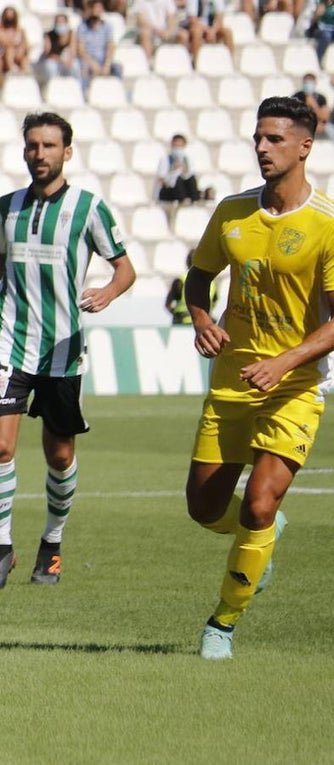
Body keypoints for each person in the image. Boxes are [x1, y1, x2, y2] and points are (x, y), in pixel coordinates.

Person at [0, 112, 137, 590]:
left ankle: (51, 545)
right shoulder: (6, 206)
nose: (40, 154)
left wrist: (108, 293)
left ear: (67, 152)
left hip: (62, 349)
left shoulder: (89, 209)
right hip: (8, 341)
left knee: (59, 455)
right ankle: (0, 550)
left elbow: (125, 269)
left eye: (49, 146)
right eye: (33, 146)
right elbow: (5, 256)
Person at [183, 96, 334, 660]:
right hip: (231, 382)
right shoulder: (232, 211)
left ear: (304, 146)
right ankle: (261, 542)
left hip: (293, 389)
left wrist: (285, 362)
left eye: (274, 139)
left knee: (258, 505)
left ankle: (222, 624)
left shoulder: (325, 224)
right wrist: (201, 317)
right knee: (202, 507)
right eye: (258, 137)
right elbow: (198, 279)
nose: (262, 148)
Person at [75, 1, 123, 94]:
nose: (96, 11)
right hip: (88, 61)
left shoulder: (107, 27)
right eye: (94, 8)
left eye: (98, 8)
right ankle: (84, 95)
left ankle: (116, 94)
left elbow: (110, 47)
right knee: (83, 69)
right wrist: (93, 65)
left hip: (102, 60)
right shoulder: (82, 27)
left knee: (117, 69)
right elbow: (81, 51)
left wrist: (107, 65)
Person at [165, 249, 217, 325]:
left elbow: (168, 305)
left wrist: (177, 315)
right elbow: (214, 303)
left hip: (182, 323)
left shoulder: (180, 281)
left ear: (187, 262)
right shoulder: (212, 282)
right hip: (203, 324)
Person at [155, 133, 203, 203]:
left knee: (191, 180)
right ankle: (182, 199)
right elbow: (162, 178)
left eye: (180, 146)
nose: (178, 148)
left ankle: (194, 199)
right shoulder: (165, 159)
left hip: (183, 188)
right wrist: (173, 169)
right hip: (169, 190)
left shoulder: (187, 159)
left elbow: (190, 175)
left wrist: (184, 169)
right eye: (176, 145)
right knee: (178, 179)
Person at [0, 6, 31, 87]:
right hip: (3, 57)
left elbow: (26, 44)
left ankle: (24, 78)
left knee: (24, 57)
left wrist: (21, 48)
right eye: (8, 15)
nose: (10, 17)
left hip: (18, 55)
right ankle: (12, 70)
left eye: (11, 15)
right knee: (9, 50)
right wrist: (16, 46)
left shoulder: (21, 31)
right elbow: (5, 43)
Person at [36, 13, 79, 82]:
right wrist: (62, 60)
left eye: (61, 22)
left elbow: (73, 51)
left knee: (75, 65)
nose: (59, 24)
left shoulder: (71, 34)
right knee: (50, 65)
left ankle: (75, 85)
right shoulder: (49, 35)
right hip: (55, 61)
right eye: (57, 22)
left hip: (65, 61)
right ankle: (52, 85)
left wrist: (69, 61)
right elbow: (48, 54)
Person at [292, 73, 331, 138]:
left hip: (317, 124)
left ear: (315, 83)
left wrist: (313, 104)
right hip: (301, 123)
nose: (308, 85)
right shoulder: (297, 96)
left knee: (330, 130)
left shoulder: (321, 97)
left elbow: (324, 116)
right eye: (306, 82)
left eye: (310, 82)